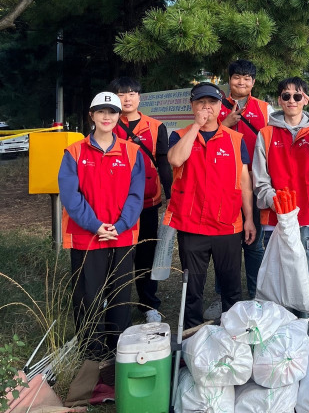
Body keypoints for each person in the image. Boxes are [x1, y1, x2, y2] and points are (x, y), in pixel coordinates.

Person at [253, 77, 309, 340]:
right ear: (278, 101)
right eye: (286, 96)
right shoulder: (267, 133)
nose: (291, 101)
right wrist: (275, 200)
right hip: (277, 217)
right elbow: (260, 179)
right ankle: (279, 327)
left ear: (305, 99)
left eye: (297, 96)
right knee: (278, 273)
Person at [59, 92, 145, 358]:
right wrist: (95, 225)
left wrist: (120, 225)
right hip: (87, 237)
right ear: (92, 115)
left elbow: (136, 194)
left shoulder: (132, 152)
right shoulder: (74, 152)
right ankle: (91, 352)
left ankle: (119, 352)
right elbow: (71, 196)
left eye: (112, 112)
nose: (107, 117)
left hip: (122, 235)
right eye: (101, 111)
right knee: (88, 296)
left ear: (119, 117)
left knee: (120, 296)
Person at [164, 82, 256, 330]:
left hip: (228, 225)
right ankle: (191, 337)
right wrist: (196, 125)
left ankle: (233, 334)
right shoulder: (180, 136)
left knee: (231, 287)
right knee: (192, 287)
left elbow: (245, 183)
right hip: (192, 225)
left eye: (212, 103)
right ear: (192, 105)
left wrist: (248, 218)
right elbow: (175, 159)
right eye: (201, 102)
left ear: (220, 108)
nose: (207, 107)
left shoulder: (236, 140)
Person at [202, 60, 274, 321]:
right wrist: (228, 123)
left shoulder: (265, 109)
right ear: (228, 79)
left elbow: (273, 144)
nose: (241, 82)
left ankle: (256, 296)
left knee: (254, 244)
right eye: (236, 78)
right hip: (222, 186)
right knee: (225, 244)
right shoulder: (216, 107)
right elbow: (204, 141)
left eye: (247, 78)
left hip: (254, 184)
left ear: (253, 82)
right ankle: (222, 296)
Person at [109, 77, 173, 324]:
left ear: (139, 97)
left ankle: (148, 304)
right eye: (122, 94)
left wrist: (170, 196)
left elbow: (164, 164)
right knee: (118, 253)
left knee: (147, 252)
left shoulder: (156, 126)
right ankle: (115, 302)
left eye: (132, 93)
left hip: (148, 201)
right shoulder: (108, 123)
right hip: (115, 203)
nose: (127, 98)